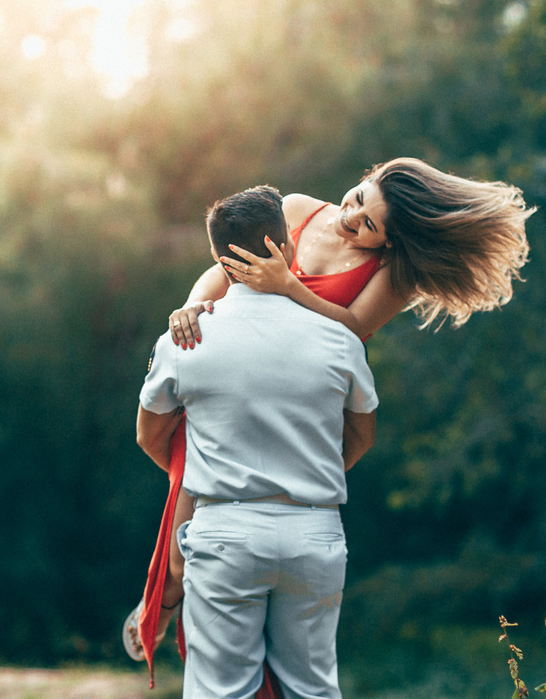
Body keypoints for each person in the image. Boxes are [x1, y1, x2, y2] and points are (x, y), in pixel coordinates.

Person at [124, 158, 535, 687]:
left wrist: (285, 285)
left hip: (297, 405)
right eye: (358, 197)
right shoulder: (295, 209)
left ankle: (175, 607)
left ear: (389, 243)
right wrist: (191, 309)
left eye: (368, 225)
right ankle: (162, 603)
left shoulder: (391, 275)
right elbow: (223, 267)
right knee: (193, 510)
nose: (350, 217)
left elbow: (352, 327)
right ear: (367, 176)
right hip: (237, 383)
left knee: (221, 546)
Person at [136, 186, 380, 699]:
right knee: (313, 690)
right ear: (288, 245)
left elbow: (150, 434)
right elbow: (362, 432)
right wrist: (311, 473)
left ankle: (163, 599)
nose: (351, 219)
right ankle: (167, 593)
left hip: (226, 524)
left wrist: (205, 471)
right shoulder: (340, 340)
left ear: (217, 258)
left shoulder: (184, 343)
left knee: (221, 691)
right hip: (315, 527)